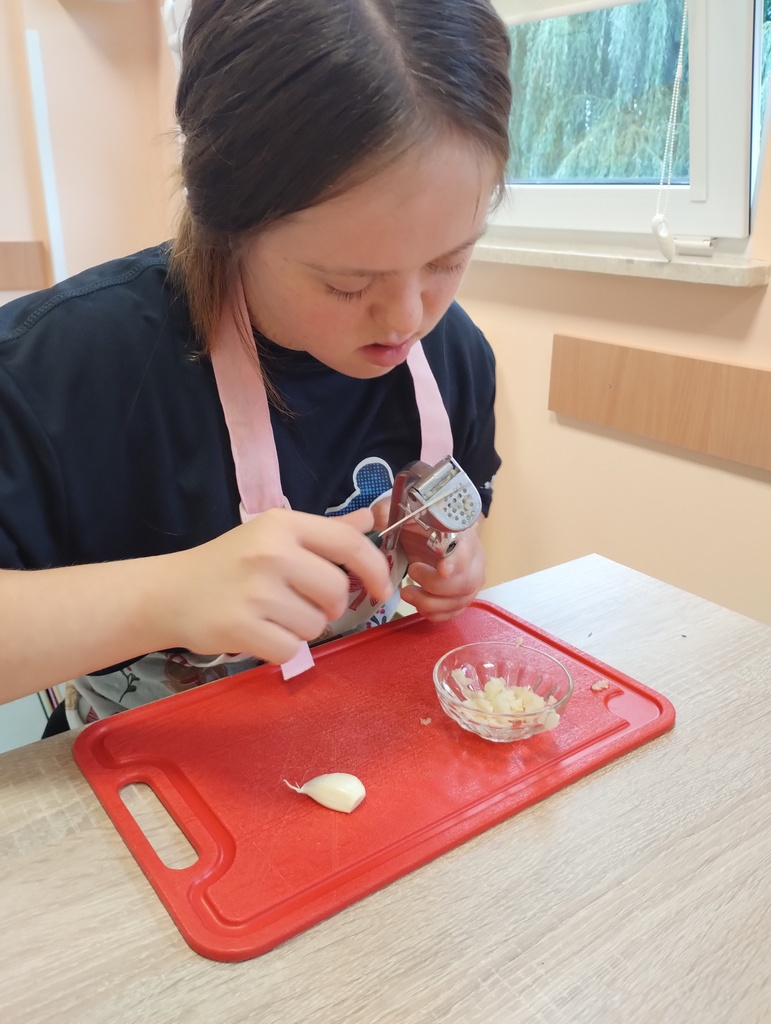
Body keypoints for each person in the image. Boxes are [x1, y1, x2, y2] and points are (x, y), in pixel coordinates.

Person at [0, 0, 512, 731]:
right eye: (346, 283)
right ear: (228, 222)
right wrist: (166, 596)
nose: (406, 319)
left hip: (363, 733)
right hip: (142, 759)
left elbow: (464, 511)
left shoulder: (454, 355)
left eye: (448, 261)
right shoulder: (61, 370)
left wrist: (452, 558)